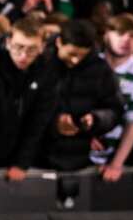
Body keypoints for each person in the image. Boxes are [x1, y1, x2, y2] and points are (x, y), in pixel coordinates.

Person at [0, 17, 58, 182]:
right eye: (18, 47)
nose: (23, 55)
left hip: (17, 154)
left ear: (42, 47)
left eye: (32, 49)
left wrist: (21, 163)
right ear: (8, 43)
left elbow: (37, 122)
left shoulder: (46, 73)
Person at [37, 20, 123, 172]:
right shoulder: (40, 64)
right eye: (71, 54)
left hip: (80, 160)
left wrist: (95, 120)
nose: (75, 60)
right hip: (36, 157)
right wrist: (54, 121)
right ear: (59, 43)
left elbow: (114, 110)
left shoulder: (100, 70)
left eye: (82, 55)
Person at [91, 14, 133, 180]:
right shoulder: (88, 66)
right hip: (78, 152)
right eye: (120, 33)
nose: (126, 40)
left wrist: (116, 164)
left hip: (114, 158)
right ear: (106, 35)